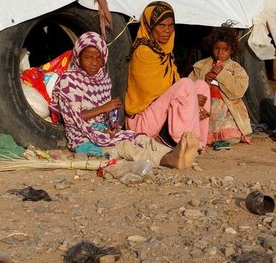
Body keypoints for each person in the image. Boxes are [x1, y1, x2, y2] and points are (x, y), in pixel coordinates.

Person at [50, 31, 198, 169]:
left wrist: (112, 125)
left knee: (140, 138)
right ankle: (167, 159)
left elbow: (104, 119)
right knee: (126, 148)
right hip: (82, 139)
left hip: (102, 132)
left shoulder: (103, 80)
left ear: (104, 59)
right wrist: (104, 108)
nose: (94, 63)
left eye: (98, 57)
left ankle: (178, 152)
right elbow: (72, 118)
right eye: (87, 57)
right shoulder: (69, 80)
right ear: (78, 57)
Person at [124, 1, 210, 150]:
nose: (167, 31)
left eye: (171, 26)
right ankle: (177, 141)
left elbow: (171, 88)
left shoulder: (164, 51)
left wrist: (194, 105)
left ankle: (196, 143)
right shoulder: (143, 52)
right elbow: (154, 94)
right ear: (150, 27)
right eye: (161, 25)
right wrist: (192, 102)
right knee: (186, 85)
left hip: (161, 115)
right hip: (143, 122)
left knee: (201, 86)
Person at [189, 25, 252, 145]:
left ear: (232, 50)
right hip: (206, 108)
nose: (220, 53)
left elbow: (238, 91)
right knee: (198, 134)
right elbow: (188, 87)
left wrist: (222, 74)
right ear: (211, 47)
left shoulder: (237, 69)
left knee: (231, 137)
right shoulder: (200, 66)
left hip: (228, 109)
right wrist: (204, 79)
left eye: (225, 49)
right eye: (216, 49)